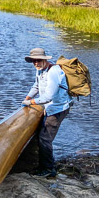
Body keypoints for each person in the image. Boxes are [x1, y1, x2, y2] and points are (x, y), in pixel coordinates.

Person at [22, 48, 72, 177]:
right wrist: (27, 98)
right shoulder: (40, 71)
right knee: (41, 135)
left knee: (45, 139)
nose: (36, 63)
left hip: (58, 109)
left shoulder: (53, 72)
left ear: (44, 60)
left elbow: (48, 96)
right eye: (33, 61)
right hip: (49, 107)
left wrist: (31, 103)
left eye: (38, 60)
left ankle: (49, 170)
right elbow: (37, 86)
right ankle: (40, 165)